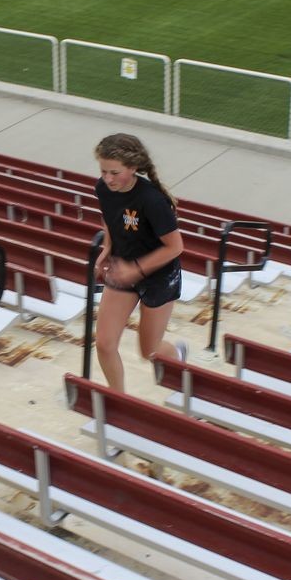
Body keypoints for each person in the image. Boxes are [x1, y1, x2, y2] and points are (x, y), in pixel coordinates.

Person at [93, 133, 186, 391]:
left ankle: (177, 353)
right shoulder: (103, 188)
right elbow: (109, 217)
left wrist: (136, 270)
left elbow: (175, 247)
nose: (108, 178)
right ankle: (118, 398)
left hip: (159, 277)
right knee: (104, 343)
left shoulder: (152, 200)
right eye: (103, 171)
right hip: (123, 268)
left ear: (133, 168)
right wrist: (108, 247)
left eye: (114, 172)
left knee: (149, 351)